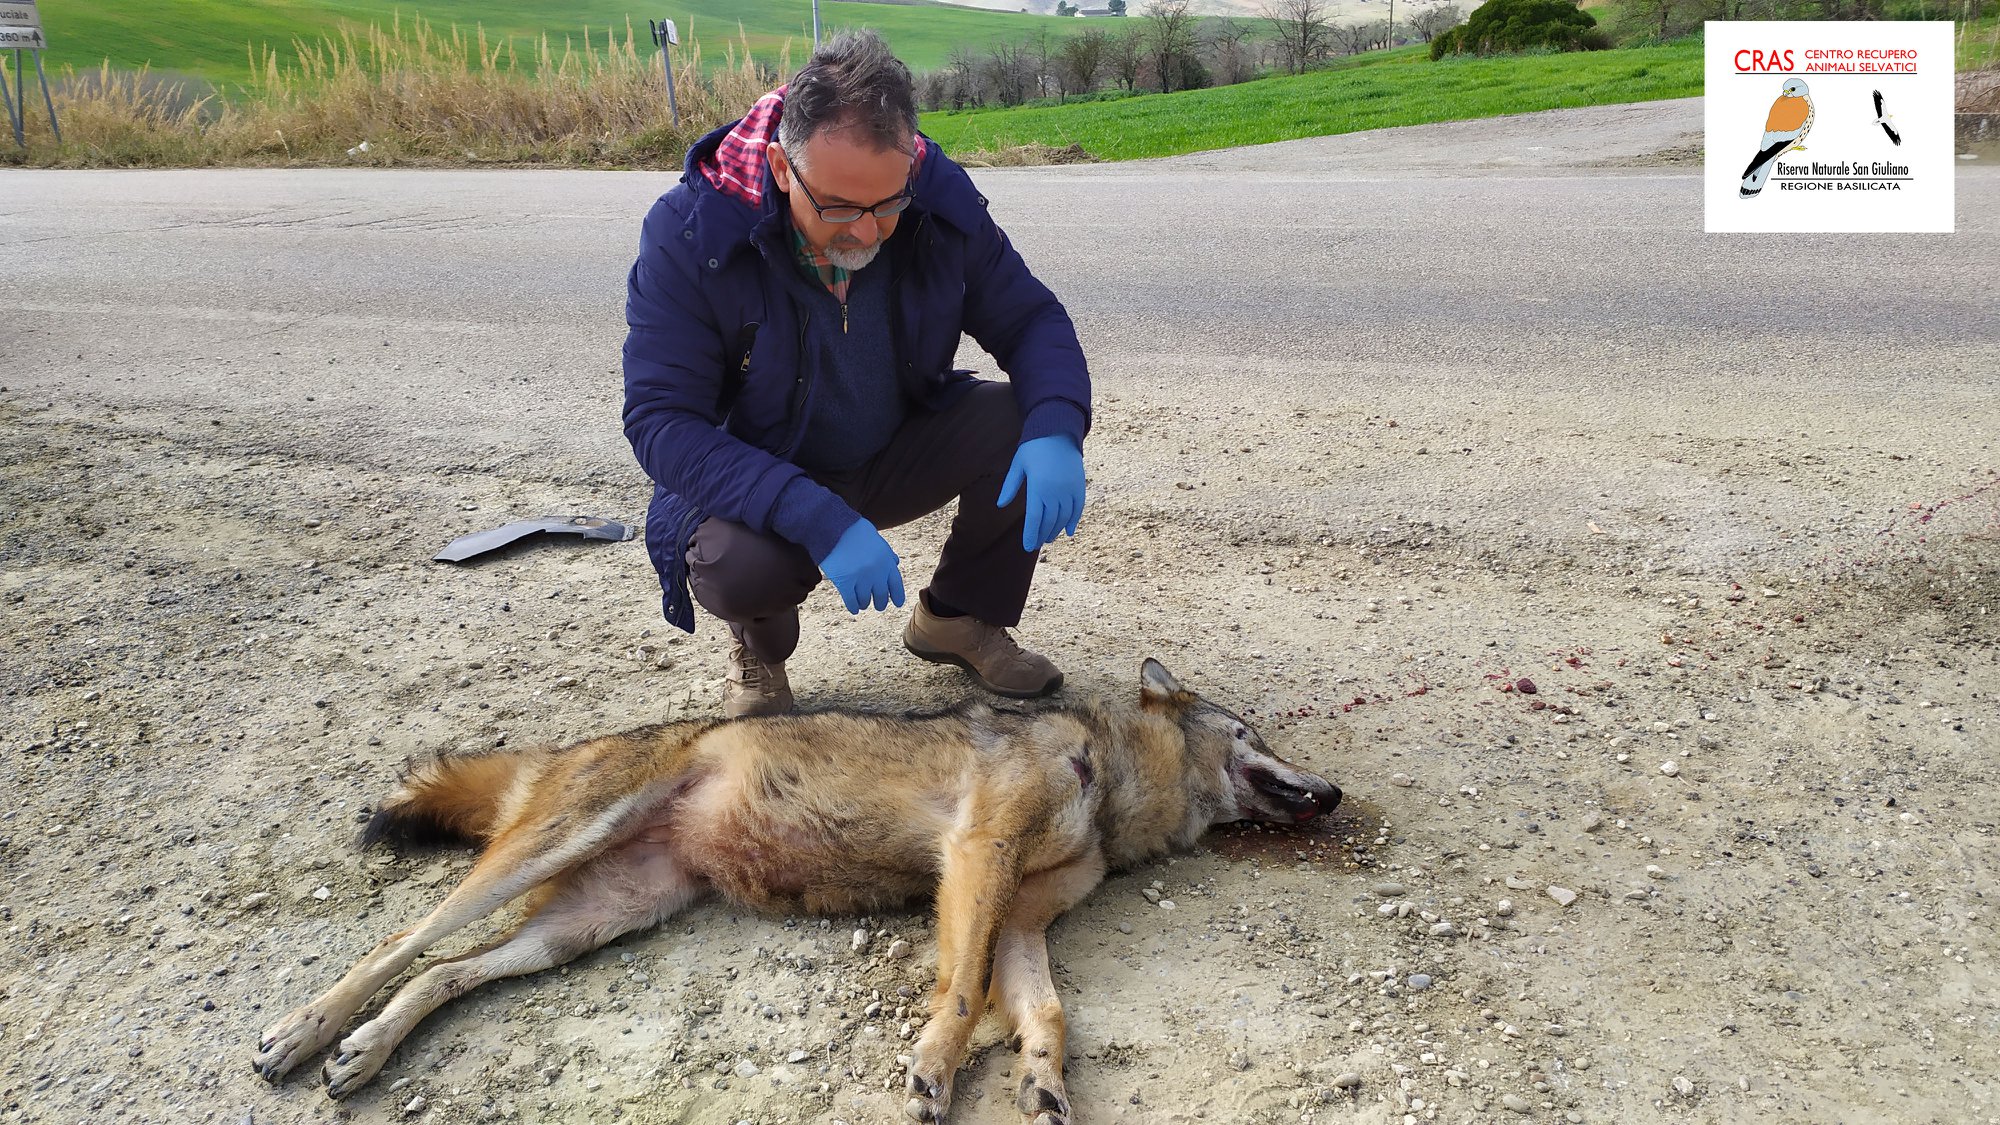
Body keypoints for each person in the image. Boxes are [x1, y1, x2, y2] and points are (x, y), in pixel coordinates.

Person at [621, 30, 1092, 718]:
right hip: (764, 475)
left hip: (891, 442)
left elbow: (1031, 320)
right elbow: (660, 422)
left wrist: (1058, 427)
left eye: (886, 205)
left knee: (1027, 418)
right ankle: (760, 648)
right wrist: (814, 515)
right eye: (838, 208)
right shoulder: (694, 231)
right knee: (736, 566)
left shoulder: (934, 197)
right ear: (782, 169)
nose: (866, 233)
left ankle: (957, 617)